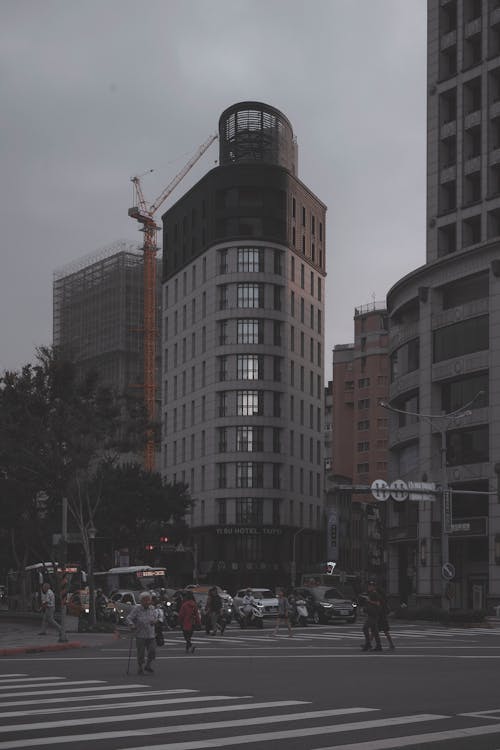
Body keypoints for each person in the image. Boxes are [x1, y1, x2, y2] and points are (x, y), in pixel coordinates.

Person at [125, 591, 159, 674]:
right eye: (145, 600)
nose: (148, 602)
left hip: (151, 634)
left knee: (152, 650)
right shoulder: (137, 609)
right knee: (141, 652)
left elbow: (156, 617)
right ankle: (140, 667)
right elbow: (129, 618)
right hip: (140, 634)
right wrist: (132, 625)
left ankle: (148, 665)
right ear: (141, 601)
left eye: (149, 600)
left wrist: (155, 621)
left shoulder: (152, 608)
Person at [360, 580, 383, 652]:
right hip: (372, 614)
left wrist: (369, 600)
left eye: (371, 586)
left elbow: (378, 603)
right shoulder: (370, 593)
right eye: (369, 586)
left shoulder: (374, 594)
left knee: (365, 628)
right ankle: (379, 646)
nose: (369, 587)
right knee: (375, 631)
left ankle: (368, 644)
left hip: (373, 614)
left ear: (374, 587)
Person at [376, 585, 395, 651]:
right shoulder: (383, 599)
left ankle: (391, 644)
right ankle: (391, 644)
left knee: (383, 631)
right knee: (383, 631)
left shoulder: (380, 599)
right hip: (382, 617)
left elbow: (381, 609)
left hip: (381, 617)